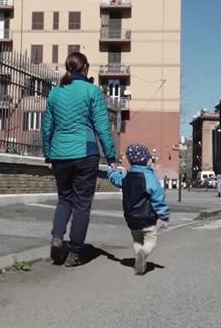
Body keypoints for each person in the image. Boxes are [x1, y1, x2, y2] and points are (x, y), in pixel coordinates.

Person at [42, 52, 117, 267]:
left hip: (59, 154)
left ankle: (57, 237)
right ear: (85, 68)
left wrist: (48, 154)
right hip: (85, 153)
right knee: (82, 205)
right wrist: (111, 157)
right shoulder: (92, 91)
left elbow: (47, 127)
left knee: (64, 199)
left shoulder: (55, 93)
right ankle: (75, 253)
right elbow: (103, 127)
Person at [107, 143, 171, 275]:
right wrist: (164, 216)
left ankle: (139, 255)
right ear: (147, 161)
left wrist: (111, 171)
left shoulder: (126, 177)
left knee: (137, 240)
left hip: (131, 219)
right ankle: (144, 252)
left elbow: (115, 179)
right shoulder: (149, 178)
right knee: (151, 240)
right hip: (147, 218)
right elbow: (158, 197)